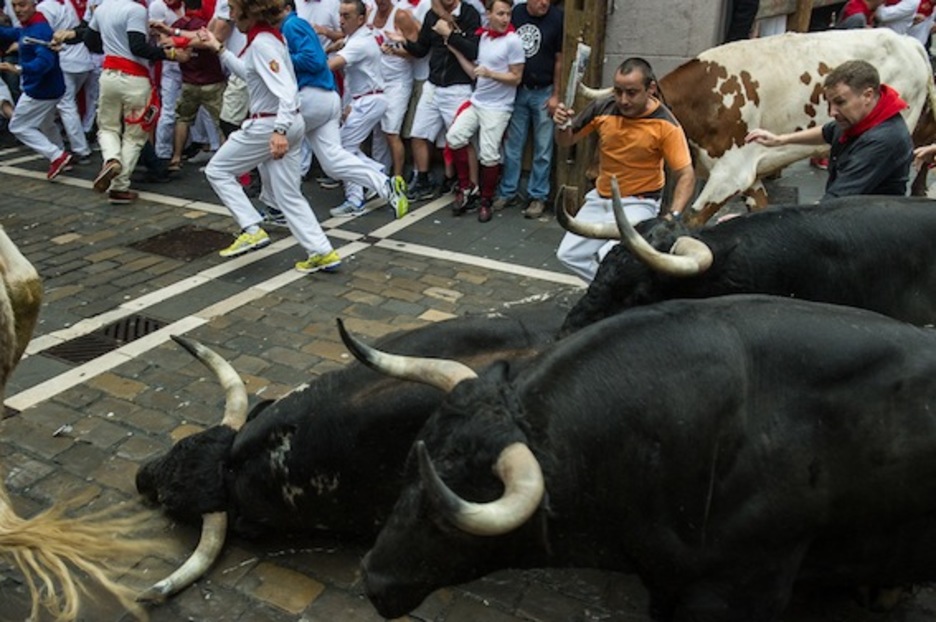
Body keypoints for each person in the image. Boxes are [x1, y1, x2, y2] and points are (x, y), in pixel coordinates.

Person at [196, 0, 342, 274]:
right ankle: (322, 251)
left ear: (249, 10)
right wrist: (220, 50)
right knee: (288, 195)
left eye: (232, 7)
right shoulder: (266, 40)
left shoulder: (262, 43)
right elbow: (250, 74)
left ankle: (251, 227)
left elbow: (287, 90)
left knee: (217, 170)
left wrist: (279, 131)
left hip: (269, 123)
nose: (230, 14)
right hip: (284, 122)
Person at [552, 57, 694, 283]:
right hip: (600, 198)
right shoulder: (603, 107)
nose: (623, 100)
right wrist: (562, 125)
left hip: (639, 202)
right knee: (568, 255)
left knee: (607, 256)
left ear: (651, 89)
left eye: (631, 92)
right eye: (618, 91)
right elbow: (566, 140)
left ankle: (610, 294)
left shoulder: (666, 125)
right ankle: (610, 294)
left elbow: (686, 174)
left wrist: (672, 216)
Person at [278, 0, 407, 220]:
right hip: (363, 99)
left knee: (344, 149)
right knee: (341, 151)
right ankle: (379, 176)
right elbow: (337, 47)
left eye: (346, 16)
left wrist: (288, 60)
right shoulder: (354, 38)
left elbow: (325, 66)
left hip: (369, 100)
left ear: (360, 18)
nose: (341, 20)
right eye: (340, 15)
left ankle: (357, 198)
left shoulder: (359, 43)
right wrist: (329, 47)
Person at [746, 59, 912, 201]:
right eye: (830, 103)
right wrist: (781, 140)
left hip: (870, 224)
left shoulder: (882, 141)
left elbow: (836, 200)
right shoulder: (856, 119)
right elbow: (828, 131)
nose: (832, 112)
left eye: (840, 103)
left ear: (867, 95)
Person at [392, 0, 480, 200]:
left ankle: (472, 185)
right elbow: (422, 48)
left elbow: (473, 51)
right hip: (433, 84)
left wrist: (449, 34)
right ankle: (422, 179)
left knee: (462, 139)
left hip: (457, 86)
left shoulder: (469, 13)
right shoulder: (432, 14)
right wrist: (403, 41)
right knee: (419, 134)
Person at [444, 0, 523, 223]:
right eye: (500, 14)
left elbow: (516, 77)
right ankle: (466, 186)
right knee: (454, 137)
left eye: (508, 14)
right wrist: (457, 52)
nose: (505, 18)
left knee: (489, 155)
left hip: (498, 108)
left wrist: (490, 74)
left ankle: (486, 200)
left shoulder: (513, 41)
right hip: (478, 101)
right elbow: (476, 72)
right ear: (488, 14)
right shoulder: (484, 38)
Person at [493, 0, 561, 219]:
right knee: (513, 144)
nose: (544, 3)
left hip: (544, 89)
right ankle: (508, 191)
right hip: (519, 89)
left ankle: (538, 196)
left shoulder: (557, 18)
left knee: (543, 147)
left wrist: (556, 95)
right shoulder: (517, 14)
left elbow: (560, 60)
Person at [0, 0, 72, 181]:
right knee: (47, 124)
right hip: (50, 88)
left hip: (40, 90)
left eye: (22, 5)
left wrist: (18, 69)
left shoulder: (38, 29)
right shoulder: (32, 25)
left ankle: (57, 156)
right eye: (15, 5)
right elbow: (17, 33)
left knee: (18, 126)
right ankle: (62, 156)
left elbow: (44, 62)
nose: (17, 10)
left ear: (33, 5)